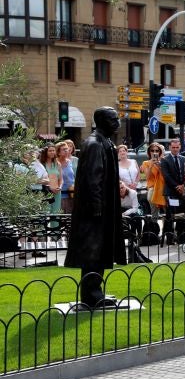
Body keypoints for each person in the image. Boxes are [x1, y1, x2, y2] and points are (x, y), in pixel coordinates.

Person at [64, 107, 126, 307]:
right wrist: (97, 206)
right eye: (113, 119)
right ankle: (91, 294)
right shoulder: (94, 144)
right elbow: (93, 179)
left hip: (104, 208)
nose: (117, 122)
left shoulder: (105, 142)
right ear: (101, 121)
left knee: (100, 251)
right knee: (93, 251)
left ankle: (95, 290)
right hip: (95, 211)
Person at [159, 138, 185, 245]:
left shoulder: (184, 159)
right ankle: (169, 238)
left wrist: (183, 186)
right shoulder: (165, 160)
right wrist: (177, 186)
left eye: (177, 147)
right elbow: (167, 176)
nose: (175, 149)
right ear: (170, 147)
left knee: (182, 215)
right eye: (173, 147)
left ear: (180, 147)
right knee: (170, 214)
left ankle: (181, 237)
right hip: (171, 192)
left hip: (182, 191)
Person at [140, 143, 166, 219]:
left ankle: (167, 228)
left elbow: (166, 176)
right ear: (149, 152)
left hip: (163, 188)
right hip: (153, 188)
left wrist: (159, 165)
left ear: (160, 152)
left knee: (166, 211)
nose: (154, 152)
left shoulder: (164, 161)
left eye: (157, 150)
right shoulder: (146, 163)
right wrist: (151, 165)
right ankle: (154, 227)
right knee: (154, 211)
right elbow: (147, 177)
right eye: (152, 150)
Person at [39, 144, 62, 213]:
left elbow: (61, 179)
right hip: (45, 192)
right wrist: (50, 188)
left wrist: (60, 187)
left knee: (56, 214)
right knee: (45, 213)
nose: (52, 152)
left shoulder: (57, 163)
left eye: (53, 150)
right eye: (50, 151)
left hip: (57, 192)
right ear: (45, 152)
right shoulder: (41, 164)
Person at [56, 140, 76, 214]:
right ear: (58, 152)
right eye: (64, 149)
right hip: (59, 195)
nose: (67, 150)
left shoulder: (70, 162)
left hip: (71, 194)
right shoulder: (54, 163)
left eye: (67, 149)